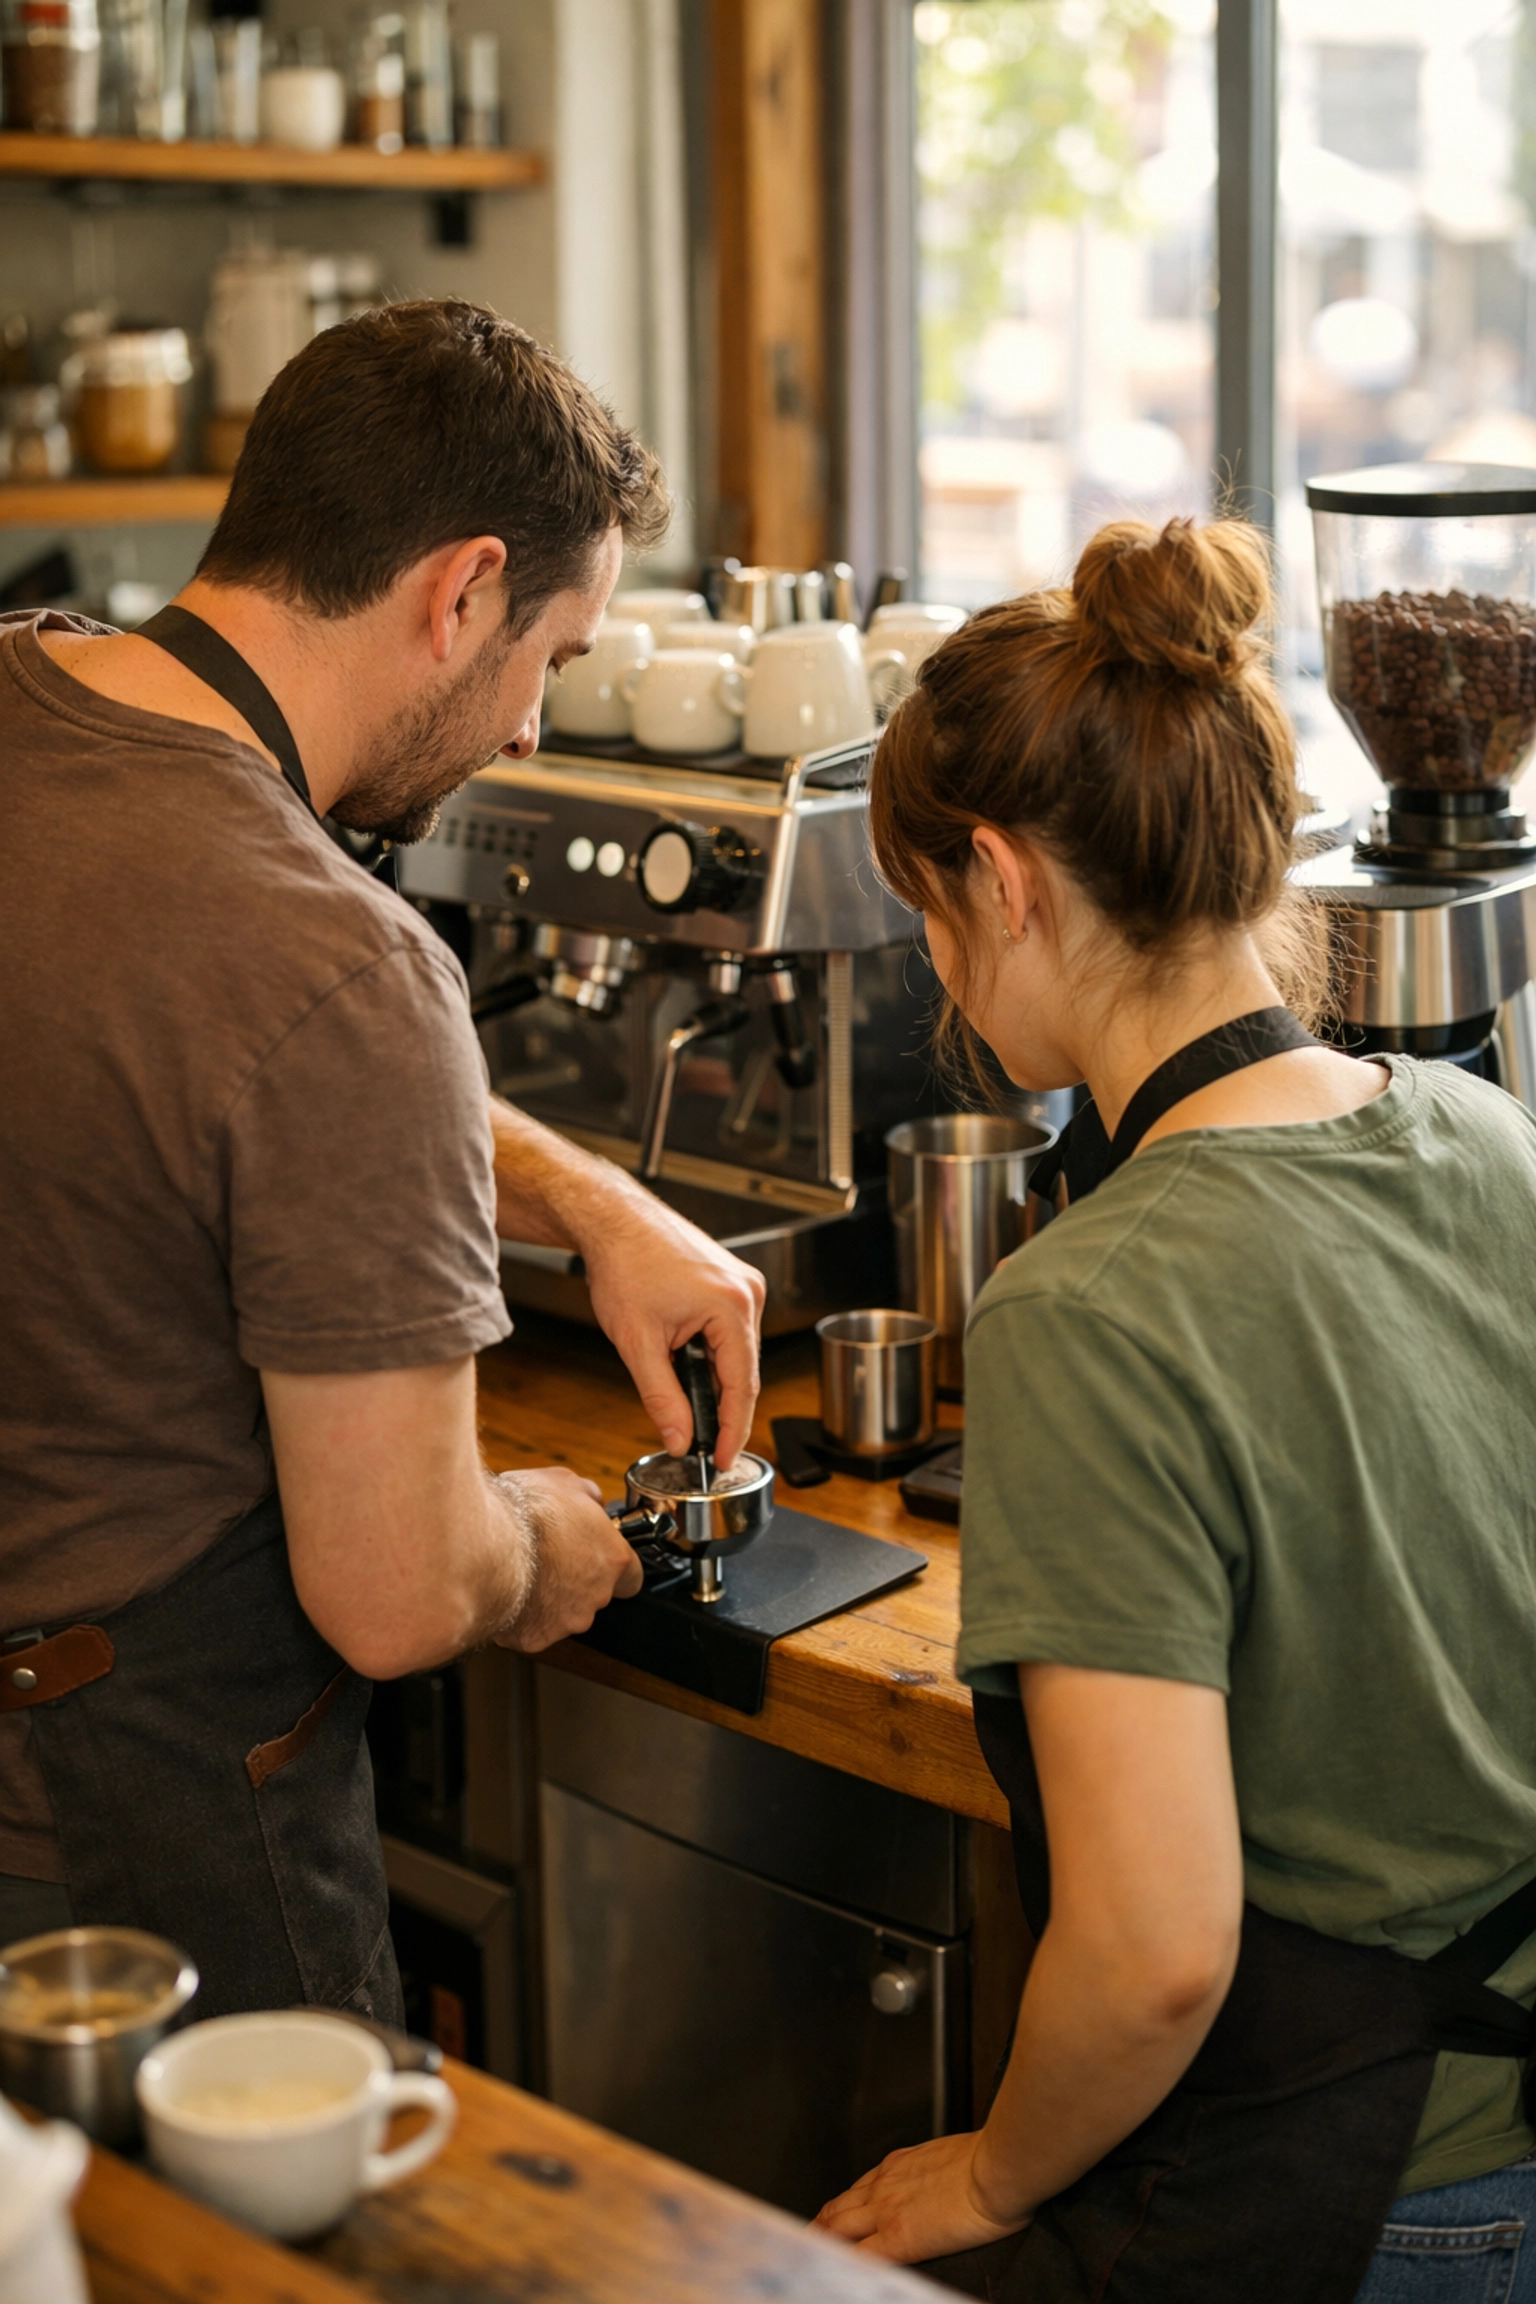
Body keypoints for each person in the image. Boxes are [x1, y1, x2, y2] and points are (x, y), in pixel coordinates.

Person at [0, 299, 764, 2020]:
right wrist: (547, 1541)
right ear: (463, 588)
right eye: (549, 663)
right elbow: (400, 1590)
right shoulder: (337, 962)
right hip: (128, 1854)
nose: (524, 735)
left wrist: (582, 1191)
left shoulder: (25, 693)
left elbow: (171, 1067)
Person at [815, 515, 1536, 2301]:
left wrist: (986, 2179)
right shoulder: (1486, 1136)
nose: (940, 969)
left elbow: (1149, 1948)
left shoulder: (1088, 1309)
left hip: (1364, 2194)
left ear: (1000, 878)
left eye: (925, 911)